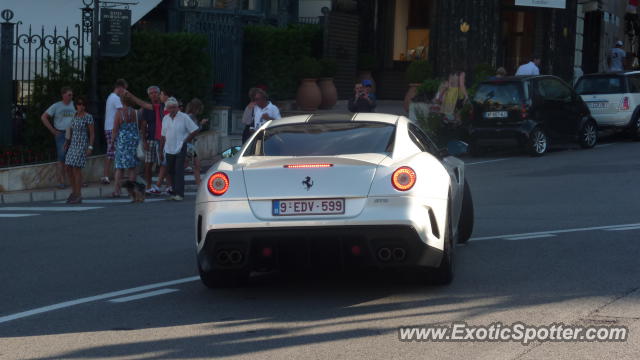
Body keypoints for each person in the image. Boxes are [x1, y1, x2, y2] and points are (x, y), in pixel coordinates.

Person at [125, 86, 165, 194]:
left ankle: (161, 186)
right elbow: (143, 124)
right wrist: (144, 140)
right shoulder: (148, 108)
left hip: (163, 139)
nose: (153, 95)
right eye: (151, 93)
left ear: (159, 94)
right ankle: (148, 185)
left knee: (163, 163)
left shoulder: (163, 106)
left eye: (155, 93)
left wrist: (131, 96)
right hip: (151, 138)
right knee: (148, 163)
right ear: (149, 95)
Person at [160, 97, 199, 201]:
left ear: (177, 108)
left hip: (181, 147)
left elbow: (194, 130)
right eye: (170, 108)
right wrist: (160, 150)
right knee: (170, 171)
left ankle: (180, 194)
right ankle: (174, 192)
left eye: (174, 107)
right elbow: (163, 135)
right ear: (167, 108)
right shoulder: (165, 118)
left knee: (179, 170)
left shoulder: (184, 117)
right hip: (168, 148)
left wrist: (185, 141)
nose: (172, 109)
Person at [40, 86, 75, 189]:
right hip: (61, 133)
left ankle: (74, 181)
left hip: (73, 133)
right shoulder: (56, 106)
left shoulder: (74, 105)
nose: (71, 97)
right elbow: (44, 117)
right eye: (69, 95)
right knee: (61, 157)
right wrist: (52, 130)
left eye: (72, 95)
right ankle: (61, 181)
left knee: (73, 157)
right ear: (63, 95)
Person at [63, 96, 95, 204]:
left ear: (85, 106)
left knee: (77, 168)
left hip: (82, 144)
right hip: (73, 144)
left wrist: (90, 147)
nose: (80, 106)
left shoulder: (88, 117)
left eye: (82, 104)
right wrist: (67, 142)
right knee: (68, 167)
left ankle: (78, 194)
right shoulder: (74, 115)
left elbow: (92, 133)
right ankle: (74, 191)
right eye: (78, 104)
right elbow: (70, 130)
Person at [111, 95, 140, 197]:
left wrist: (112, 142)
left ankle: (117, 190)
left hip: (123, 142)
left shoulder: (119, 113)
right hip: (133, 140)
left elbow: (115, 129)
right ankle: (131, 191)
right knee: (132, 167)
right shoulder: (134, 112)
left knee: (120, 167)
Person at [103, 79, 128, 185]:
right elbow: (123, 112)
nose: (125, 92)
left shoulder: (110, 97)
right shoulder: (116, 98)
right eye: (124, 90)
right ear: (120, 88)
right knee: (113, 152)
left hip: (109, 127)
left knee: (112, 152)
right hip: (113, 129)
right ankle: (108, 175)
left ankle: (107, 175)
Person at [185, 98, 209, 185]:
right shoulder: (191, 117)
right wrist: (201, 124)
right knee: (196, 164)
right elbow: (194, 130)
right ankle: (199, 183)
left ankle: (199, 183)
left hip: (189, 144)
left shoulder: (189, 116)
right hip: (188, 144)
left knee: (195, 164)